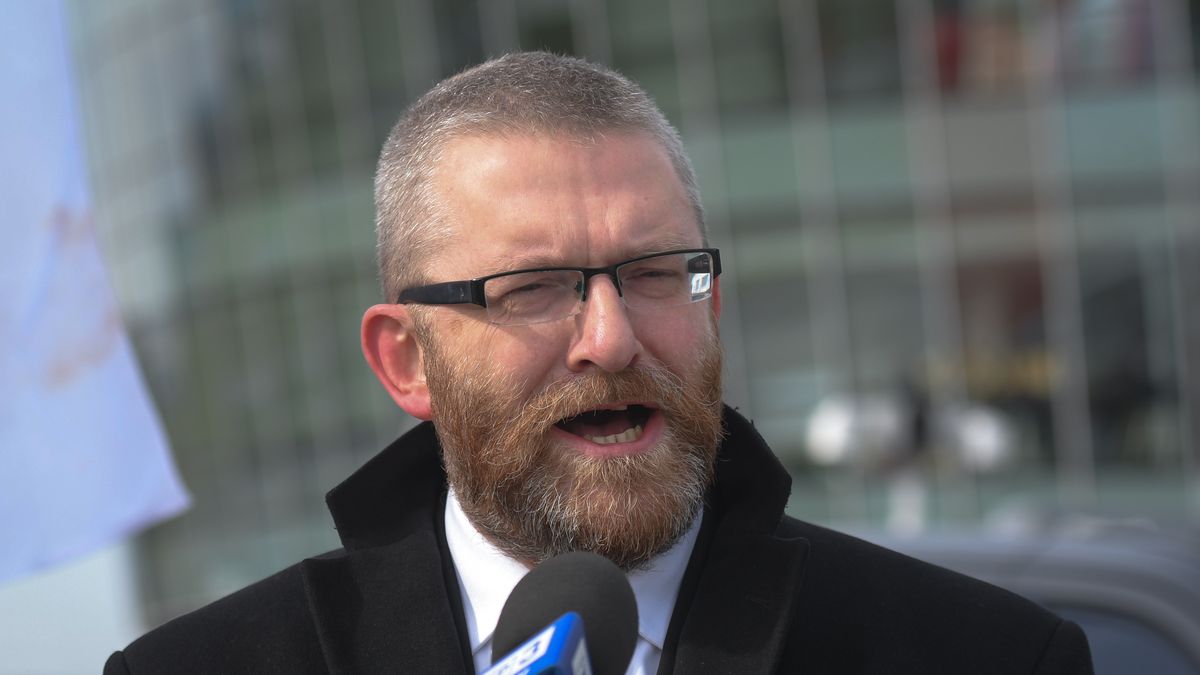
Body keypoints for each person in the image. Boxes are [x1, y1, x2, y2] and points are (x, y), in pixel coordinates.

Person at [105, 52, 1093, 674]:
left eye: (657, 274)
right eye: (533, 288)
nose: (612, 338)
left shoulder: (985, 656)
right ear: (405, 360)